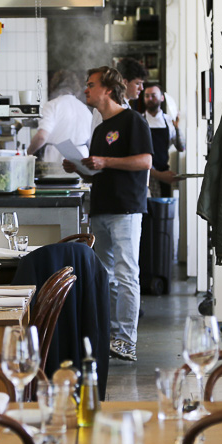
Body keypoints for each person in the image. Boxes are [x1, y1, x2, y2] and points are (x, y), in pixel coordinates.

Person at [65, 66, 153, 362]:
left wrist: (104, 161)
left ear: (108, 89)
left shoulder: (133, 120)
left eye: (91, 85)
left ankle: (127, 340)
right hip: (101, 208)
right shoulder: (101, 128)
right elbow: (99, 172)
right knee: (107, 276)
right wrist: (80, 168)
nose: (86, 90)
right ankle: (112, 336)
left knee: (126, 274)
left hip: (126, 209)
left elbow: (145, 161)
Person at [26, 70, 91, 165]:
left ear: (55, 86)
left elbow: (41, 137)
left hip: (57, 159)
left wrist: (28, 153)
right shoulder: (84, 109)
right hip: (82, 158)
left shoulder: (52, 105)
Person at [134, 82, 185, 197]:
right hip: (142, 174)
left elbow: (181, 147)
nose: (150, 99)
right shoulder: (138, 120)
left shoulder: (169, 121)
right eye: (147, 96)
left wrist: (177, 127)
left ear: (162, 98)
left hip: (164, 174)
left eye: (153, 95)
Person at [90, 57, 147, 132]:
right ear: (125, 82)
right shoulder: (107, 106)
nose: (141, 88)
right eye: (137, 83)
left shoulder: (125, 106)